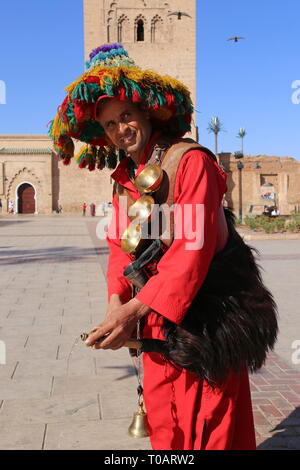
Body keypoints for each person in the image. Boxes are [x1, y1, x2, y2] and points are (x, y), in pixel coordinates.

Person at [49, 43, 277, 450]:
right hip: (157, 323)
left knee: (212, 427)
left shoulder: (191, 163)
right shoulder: (125, 178)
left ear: (146, 113)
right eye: (109, 125)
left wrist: (136, 308)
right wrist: (116, 305)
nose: (120, 129)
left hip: (207, 321)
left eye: (126, 116)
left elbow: (193, 249)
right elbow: (122, 249)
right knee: (165, 426)